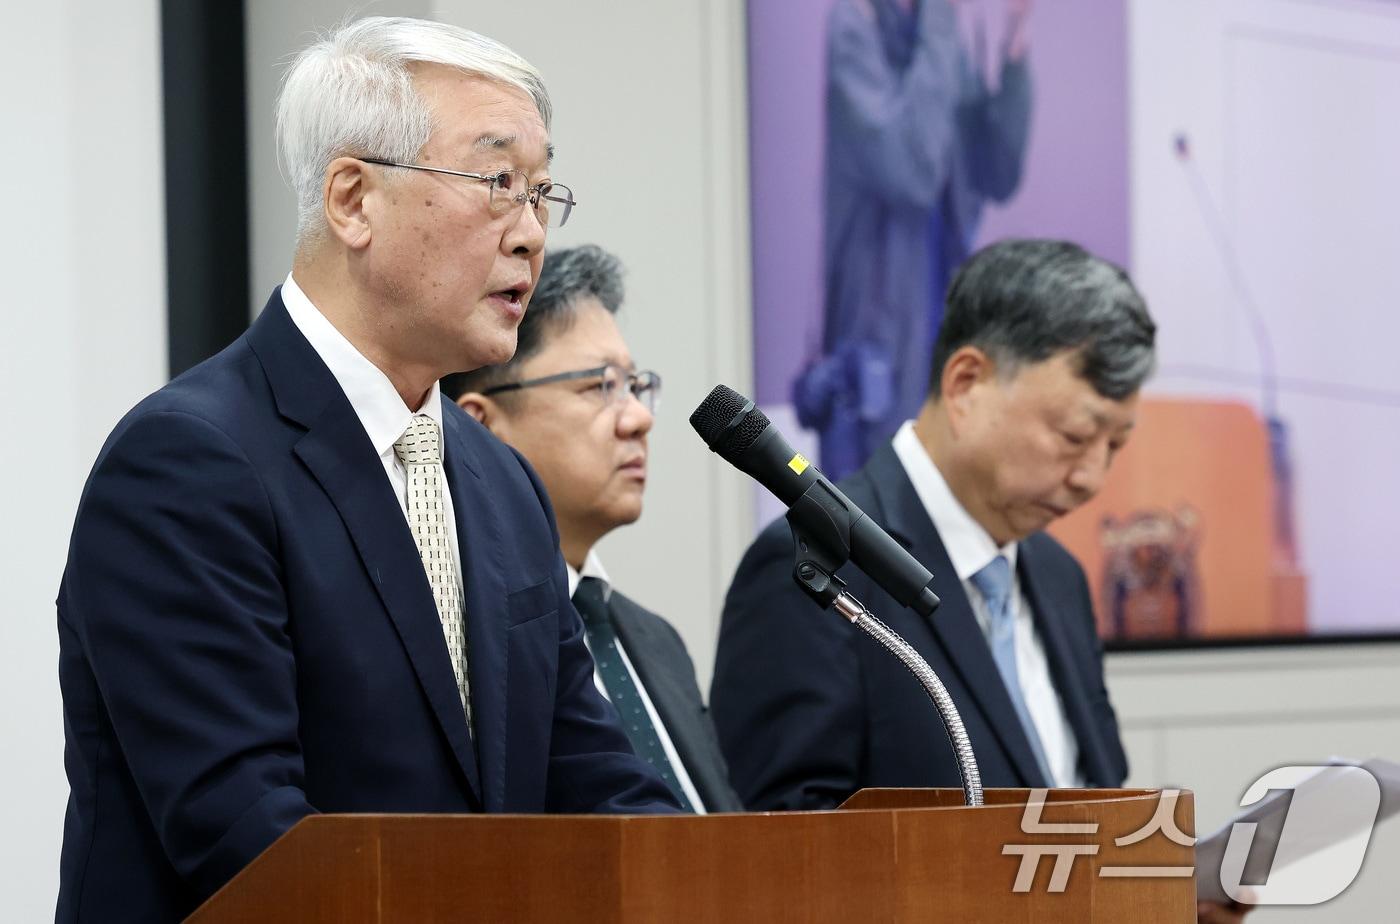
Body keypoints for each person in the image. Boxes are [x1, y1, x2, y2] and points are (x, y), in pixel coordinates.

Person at [56, 18, 679, 922]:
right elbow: (252, 842)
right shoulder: (187, 464)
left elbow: (596, 783)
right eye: (498, 182)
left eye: (543, 193)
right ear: (352, 199)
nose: (531, 235)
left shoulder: (501, 485)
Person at [715, 238, 1251, 924]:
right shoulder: (818, 570)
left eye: (1115, 445)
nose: (1092, 477)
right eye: (1074, 435)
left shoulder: (1056, 575)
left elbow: (1082, 799)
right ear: (967, 385)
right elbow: (776, 862)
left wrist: (1157, 897)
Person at [444, 245, 744, 814]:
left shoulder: (656, 641)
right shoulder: (465, 633)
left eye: (635, 386)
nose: (639, 418)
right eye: (601, 386)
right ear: (482, 427)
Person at [796, 0, 1034, 480]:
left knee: (940, 536)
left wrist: (1014, 40)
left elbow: (996, 172)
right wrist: (944, 21)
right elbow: (910, 169)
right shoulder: (857, 24)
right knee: (873, 539)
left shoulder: (932, 32)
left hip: (943, 340)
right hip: (879, 361)